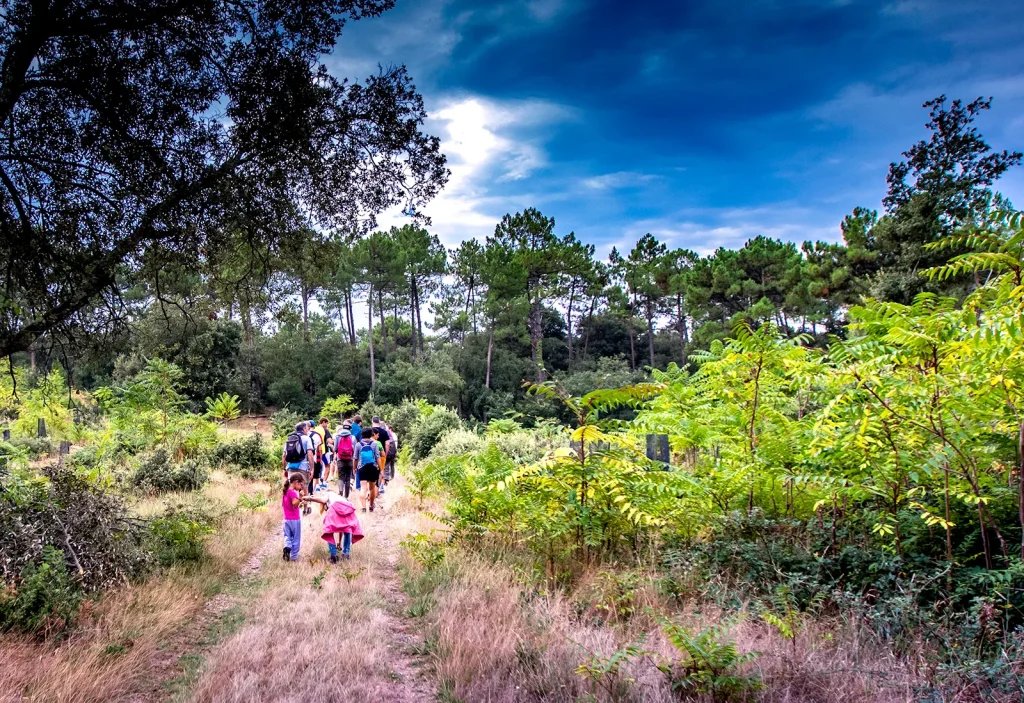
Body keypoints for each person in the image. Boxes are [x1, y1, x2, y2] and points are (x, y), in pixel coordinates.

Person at [304, 491, 363, 563]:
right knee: (347, 530)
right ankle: (346, 554)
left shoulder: (327, 493)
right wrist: (339, 542)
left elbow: (323, 500)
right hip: (348, 507)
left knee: (328, 531)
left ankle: (333, 555)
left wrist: (309, 498)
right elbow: (341, 527)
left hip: (335, 507)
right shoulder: (340, 498)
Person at [355, 428, 381, 512]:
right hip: (372, 467)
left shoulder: (358, 444)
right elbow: (377, 457)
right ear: (371, 434)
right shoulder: (374, 444)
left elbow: (355, 458)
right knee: (372, 488)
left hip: (362, 467)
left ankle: (363, 508)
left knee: (363, 488)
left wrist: (354, 467)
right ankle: (370, 506)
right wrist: (381, 469)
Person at [281, 474, 305, 561]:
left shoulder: (285, 492)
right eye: (300, 484)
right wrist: (300, 497)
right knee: (296, 539)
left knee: (287, 536)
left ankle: (287, 547)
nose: (301, 486)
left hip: (286, 519)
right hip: (294, 520)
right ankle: (294, 557)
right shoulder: (292, 492)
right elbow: (294, 504)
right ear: (296, 482)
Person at [371, 416, 394, 495]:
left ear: (372, 421)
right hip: (381, 454)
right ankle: (377, 491)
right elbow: (387, 444)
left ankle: (371, 490)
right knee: (380, 472)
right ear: (379, 422)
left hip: (371, 455)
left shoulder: (369, 431)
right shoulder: (385, 432)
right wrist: (385, 454)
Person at [333, 426, 356, 498]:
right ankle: (346, 496)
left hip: (340, 459)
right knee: (348, 477)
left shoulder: (338, 437)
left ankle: (340, 491)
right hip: (350, 459)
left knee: (341, 477)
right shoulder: (353, 437)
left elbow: (335, 449)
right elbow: (354, 450)